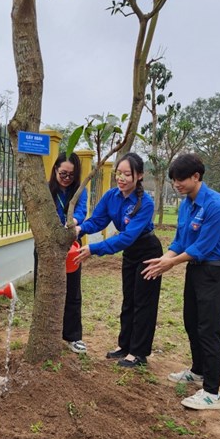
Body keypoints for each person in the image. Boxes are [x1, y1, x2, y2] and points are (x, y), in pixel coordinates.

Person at [142, 153, 220, 411]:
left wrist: (170, 263)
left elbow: (203, 247)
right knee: (192, 323)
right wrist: (163, 259)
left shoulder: (218, 206)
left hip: (215, 272)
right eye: (174, 180)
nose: (176, 184)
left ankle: (212, 392)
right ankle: (198, 371)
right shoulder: (187, 204)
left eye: (181, 179)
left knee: (209, 329)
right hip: (195, 270)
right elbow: (181, 241)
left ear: (197, 176)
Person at [74, 153, 163, 367]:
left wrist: (94, 249)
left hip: (147, 251)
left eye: (127, 174)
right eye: (118, 173)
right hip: (131, 252)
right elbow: (98, 220)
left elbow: (127, 237)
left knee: (143, 302)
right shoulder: (112, 196)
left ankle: (138, 353)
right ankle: (124, 346)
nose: (121, 178)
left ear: (139, 176)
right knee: (129, 299)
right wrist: (79, 229)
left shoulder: (145, 203)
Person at [33, 152, 88, 353]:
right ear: (55, 169)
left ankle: (73, 336)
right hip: (46, 244)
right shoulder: (46, 190)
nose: (66, 178)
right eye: (63, 173)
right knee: (44, 287)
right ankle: (44, 333)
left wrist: (71, 223)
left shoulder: (80, 191)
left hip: (71, 244)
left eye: (71, 175)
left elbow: (81, 213)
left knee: (72, 289)